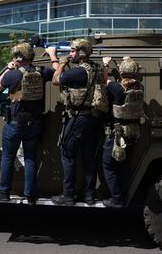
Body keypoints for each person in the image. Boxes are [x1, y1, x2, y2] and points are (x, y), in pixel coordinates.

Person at [0, 42, 54, 204]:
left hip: (15, 123)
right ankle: (30, 195)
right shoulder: (42, 72)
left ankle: (3, 193)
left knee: (7, 158)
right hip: (34, 123)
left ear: (19, 58)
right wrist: (53, 55)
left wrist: (8, 68)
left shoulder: (14, 74)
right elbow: (56, 73)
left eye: (15, 56)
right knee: (31, 157)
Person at [45, 38, 108, 206]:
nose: (70, 54)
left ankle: (68, 195)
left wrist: (60, 62)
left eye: (72, 51)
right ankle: (89, 195)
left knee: (67, 154)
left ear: (80, 53)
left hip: (78, 118)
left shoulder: (79, 71)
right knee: (89, 157)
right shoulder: (96, 68)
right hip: (93, 118)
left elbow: (56, 79)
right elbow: (104, 78)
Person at [101, 56, 144, 208]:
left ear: (120, 72)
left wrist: (106, 65)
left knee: (109, 166)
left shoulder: (117, 88)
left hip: (117, 135)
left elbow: (103, 80)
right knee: (124, 167)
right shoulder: (139, 88)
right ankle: (124, 197)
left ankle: (116, 199)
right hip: (132, 133)